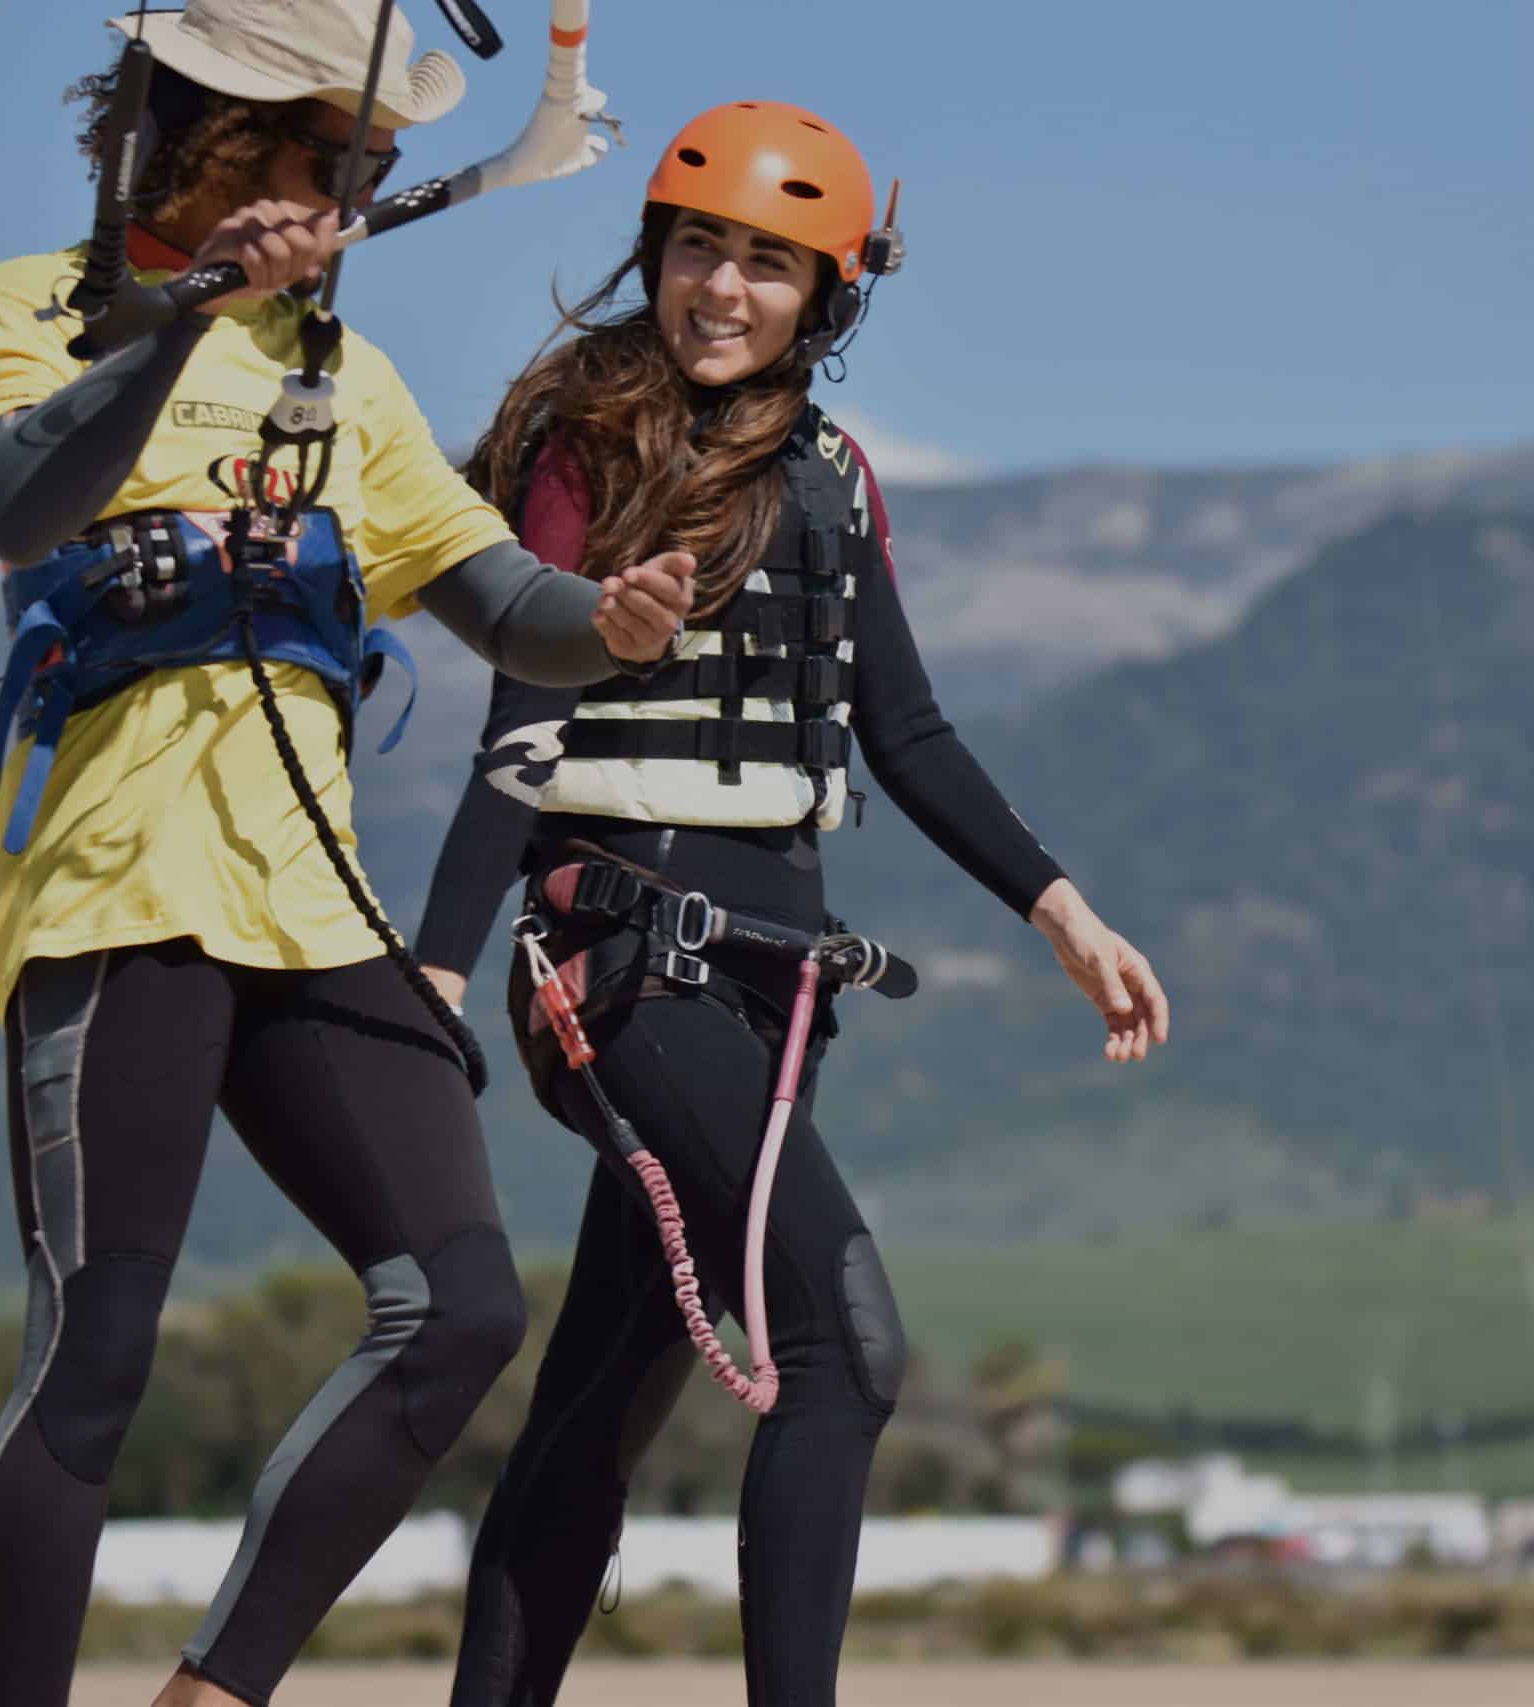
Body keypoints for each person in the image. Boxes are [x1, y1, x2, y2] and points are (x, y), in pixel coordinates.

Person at [0, 3, 685, 1703]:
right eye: (341, 156)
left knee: (463, 1307)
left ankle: (213, 1695)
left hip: (310, 908)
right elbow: (20, 501)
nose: (368, 184)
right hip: (120, 900)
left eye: (375, 164)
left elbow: (509, 605)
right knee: (97, 1353)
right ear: (217, 138)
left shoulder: (350, 378)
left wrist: (613, 622)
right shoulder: (30, 312)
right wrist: (188, 307)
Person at [413, 100, 1170, 1705]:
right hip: (623, 955)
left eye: (765, 262)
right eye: (699, 249)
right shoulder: (584, 442)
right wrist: (434, 964)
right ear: (656, 254)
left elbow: (905, 731)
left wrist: (1063, 911)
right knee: (843, 1347)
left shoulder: (835, 473)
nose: (721, 289)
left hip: (776, 984)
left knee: (598, 1403)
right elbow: (520, 733)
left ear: (825, 294)